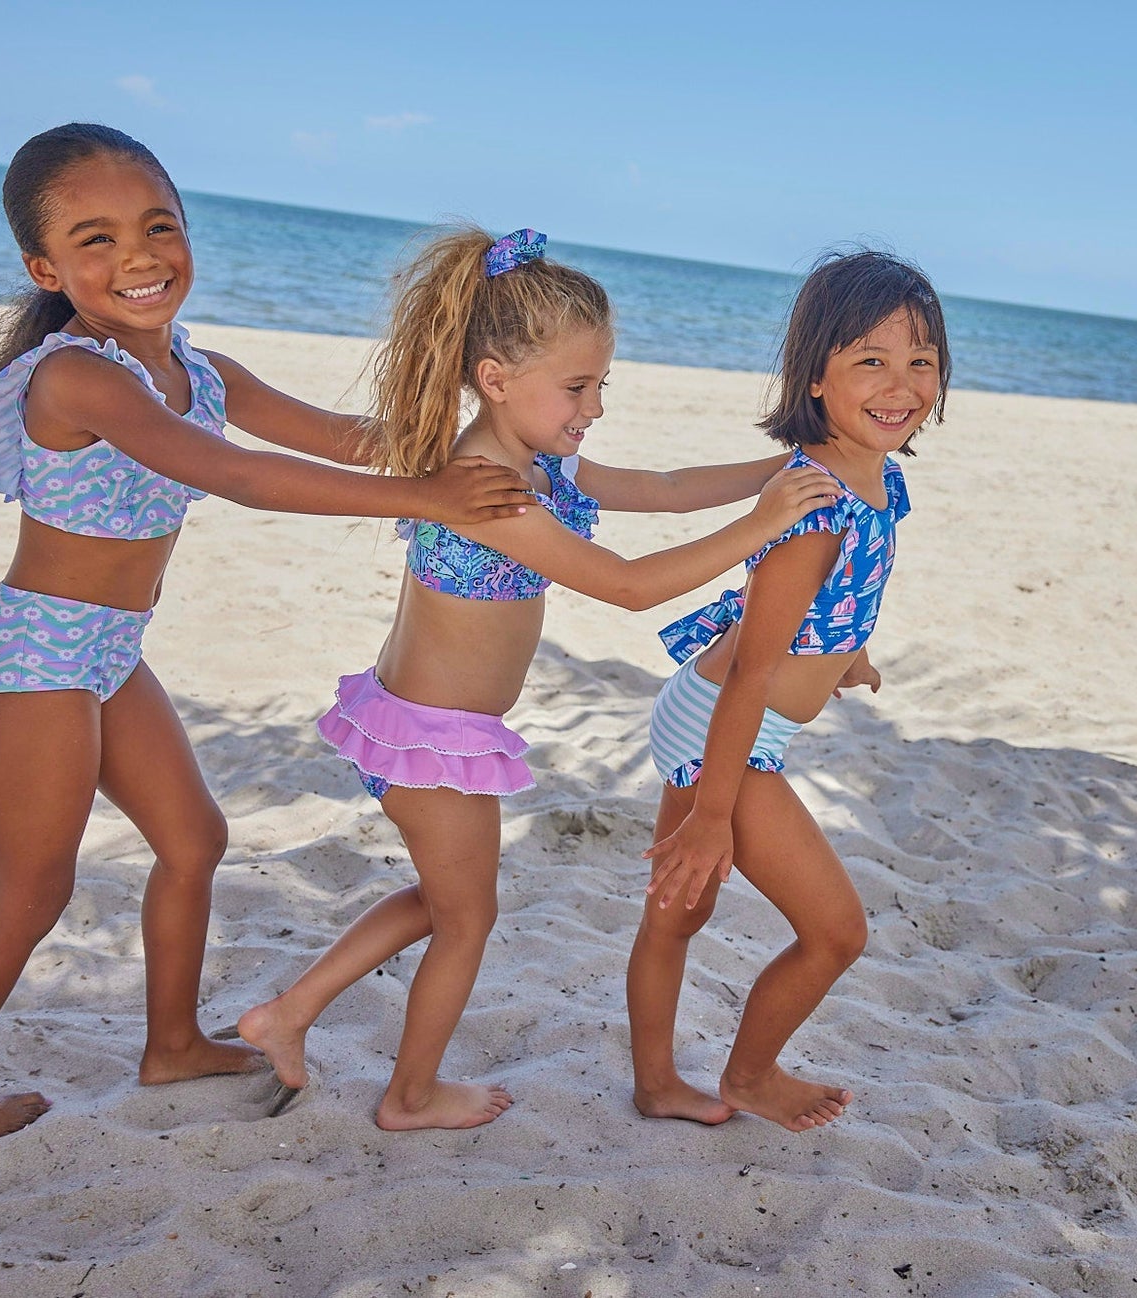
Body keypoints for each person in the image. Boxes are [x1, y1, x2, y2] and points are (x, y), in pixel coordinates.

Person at [0, 124, 533, 1144]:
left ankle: (171, 1041)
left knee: (194, 839)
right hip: (31, 655)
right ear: (45, 270)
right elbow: (235, 475)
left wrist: (500, 426)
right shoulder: (76, 377)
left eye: (157, 225)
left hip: (106, 651)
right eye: (95, 240)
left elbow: (352, 439)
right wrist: (424, 497)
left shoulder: (200, 370)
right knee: (31, 889)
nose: (137, 255)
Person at [236, 228, 839, 1131]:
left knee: (442, 903)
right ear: (494, 377)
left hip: (419, 723)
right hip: (431, 739)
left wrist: (787, 470)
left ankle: (286, 1015)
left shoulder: (541, 466)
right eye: (577, 387)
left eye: (601, 386)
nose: (593, 407)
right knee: (467, 919)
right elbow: (629, 586)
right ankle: (408, 1096)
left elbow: (664, 486)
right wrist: (763, 525)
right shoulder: (491, 489)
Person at [626, 249, 950, 1131]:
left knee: (675, 917)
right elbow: (758, 670)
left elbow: (853, 591)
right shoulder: (811, 503)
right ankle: (750, 1076)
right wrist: (713, 812)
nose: (901, 384)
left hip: (729, 717)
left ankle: (657, 1084)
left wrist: (851, 655)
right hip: (726, 729)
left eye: (921, 361)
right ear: (816, 375)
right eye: (870, 361)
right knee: (837, 930)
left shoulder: (879, 477)